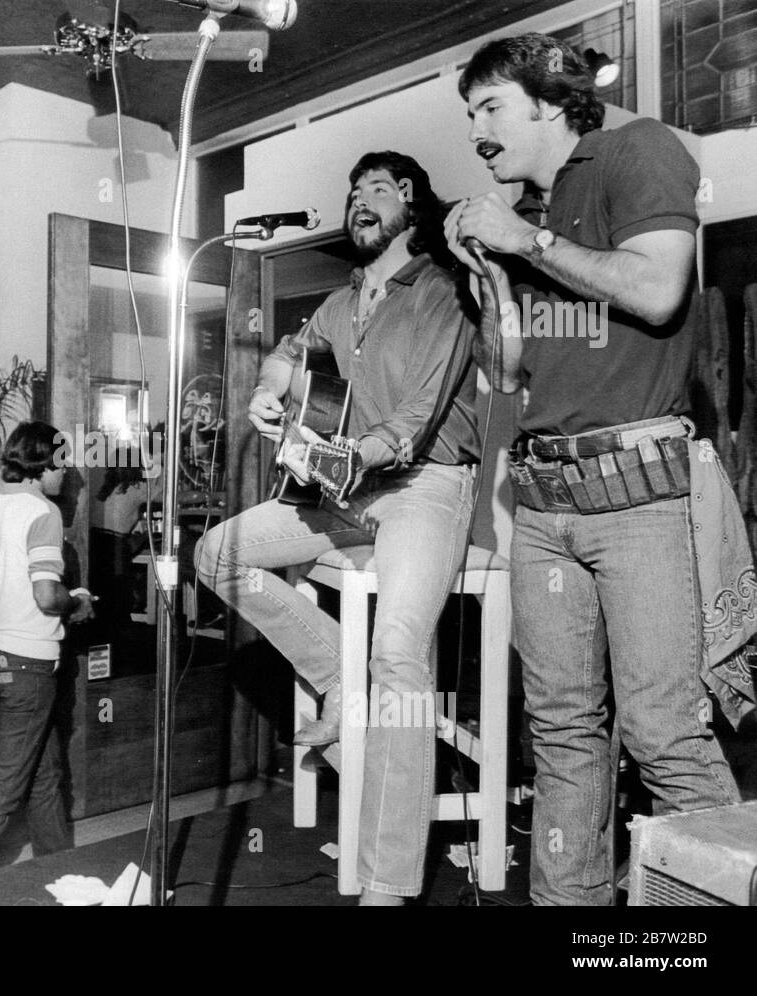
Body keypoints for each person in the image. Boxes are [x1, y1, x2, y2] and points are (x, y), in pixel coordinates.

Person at [446, 33, 744, 905]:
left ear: (548, 99)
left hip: (637, 497)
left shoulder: (637, 148)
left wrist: (522, 242)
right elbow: (510, 376)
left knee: (663, 738)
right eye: (469, 115)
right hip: (543, 501)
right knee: (563, 736)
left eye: (489, 107)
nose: (477, 133)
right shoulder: (538, 205)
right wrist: (492, 283)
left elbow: (657, 291)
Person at [194, 151, 480, 905]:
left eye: (378, 188)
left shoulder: (443, 290)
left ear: (410, 204)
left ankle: (387, 887)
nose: (360, 199)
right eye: (353, 191)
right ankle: (335, 681)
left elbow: (415, 423)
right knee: (216, 554)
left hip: (423, 485)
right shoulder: (342, 301)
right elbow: (293, 358)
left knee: (399, 654)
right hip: (348, 487)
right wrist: (264, 392)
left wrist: (350, 457)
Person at [0, 421, 93, 876]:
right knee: (1, 790)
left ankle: (58, 872)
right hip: (29, 665)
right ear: (41, 463)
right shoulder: (43, 513)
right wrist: (78, 603)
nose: (66, 473)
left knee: (45, 776)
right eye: (62, 461)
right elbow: (46, 595)